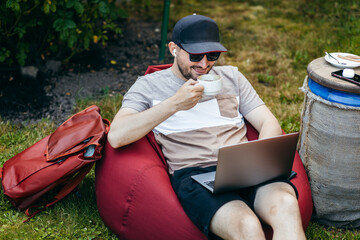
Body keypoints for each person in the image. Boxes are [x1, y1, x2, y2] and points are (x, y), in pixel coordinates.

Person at [107, 14, 306, 240]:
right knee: (247, 226)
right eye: (195, 55)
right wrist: (174, 104)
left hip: (245, 167)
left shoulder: (232, 77)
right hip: (196, 175)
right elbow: (117, 135)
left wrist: (260, 161)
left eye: (212, 55)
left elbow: (267, 121)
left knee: (287, 206)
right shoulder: (149, 86)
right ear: (174, 49)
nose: (204, 65)